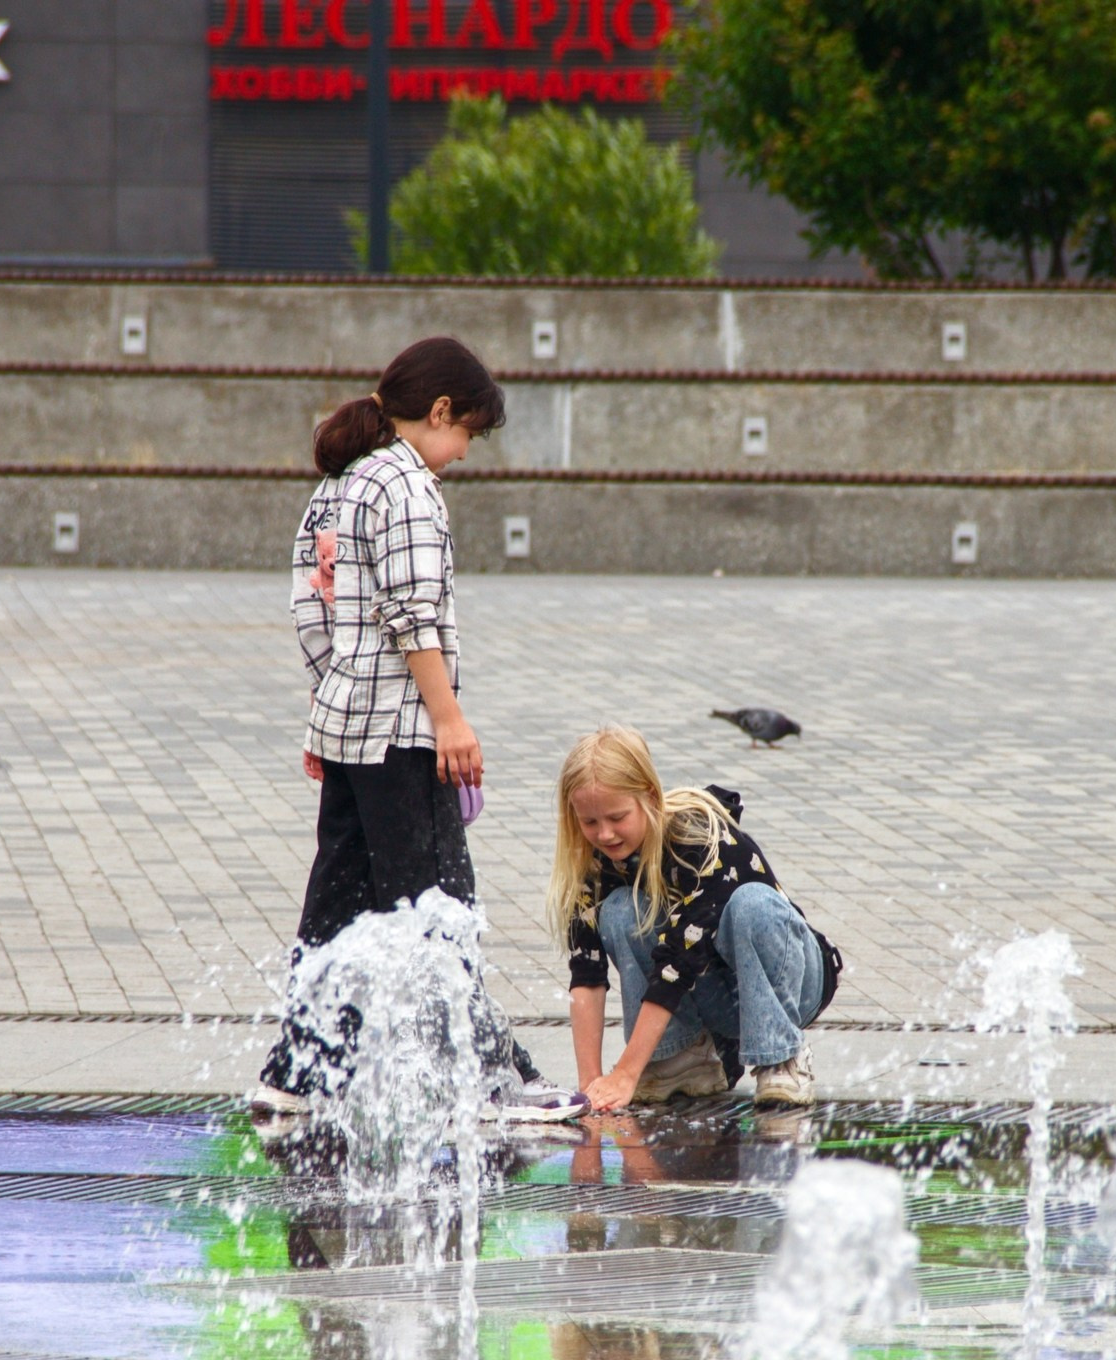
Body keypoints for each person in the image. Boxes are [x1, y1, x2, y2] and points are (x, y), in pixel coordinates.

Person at [251, 335, 580, 1124]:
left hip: (348, 729)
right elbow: (411, 614)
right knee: (441, 909)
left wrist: (328, 705)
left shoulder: (337, 485)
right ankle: (495, 1081)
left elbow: (313, 609)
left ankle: (295, 1073)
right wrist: (450, 718)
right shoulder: (406, 485)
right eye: (466, 431)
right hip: (402, 732)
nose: (464, 451)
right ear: (438, 411)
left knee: (338, 908)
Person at [550, 726, 842, 1111]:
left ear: (650, 799)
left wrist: (625, 1072)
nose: (604, 834)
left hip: (792, 984)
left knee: (751, 903)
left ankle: (781, 1057)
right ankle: (679, 1059)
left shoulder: (700, 838)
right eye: (589, 823)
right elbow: (587, 977)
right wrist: (588, 1085)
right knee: (623, 909)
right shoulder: (590, 866)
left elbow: (677, 965)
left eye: (617, 817)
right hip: (714, 997)